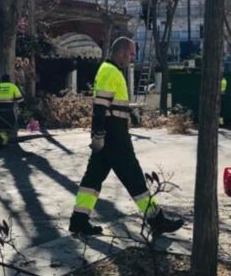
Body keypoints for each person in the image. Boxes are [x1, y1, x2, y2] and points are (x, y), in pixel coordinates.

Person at [69, 37, 184, 236]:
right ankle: (157, 220)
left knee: (92, 180)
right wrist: (98, 134)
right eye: (131, 54)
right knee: (135, 178)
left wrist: (126, 115)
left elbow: (109, 105)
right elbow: (100, 107)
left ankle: (78, 220)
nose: (132, 58)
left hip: (109, 135)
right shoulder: (110, 72)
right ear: (121, 52)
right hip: (115, 137)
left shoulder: (109, 71)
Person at [0, 74, 23, 148]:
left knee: (0, 126)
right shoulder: (13, 86)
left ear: (2, 80)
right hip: (9, 110)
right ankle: (4, 140)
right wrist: (22, 107)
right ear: (9, 80)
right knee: (10, 126)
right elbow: (20, 99)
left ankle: (2, 140)